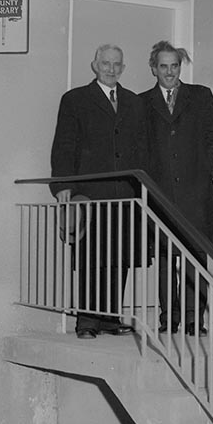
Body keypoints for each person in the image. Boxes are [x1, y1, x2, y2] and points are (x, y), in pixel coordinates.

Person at [50, 44, 146, 339]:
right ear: (95, 65)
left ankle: (110, 318)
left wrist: (143, 190)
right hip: (90, 195)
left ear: (123, 68)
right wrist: (64, 185)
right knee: (92, 258)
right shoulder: (75, 99)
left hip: (125, 195)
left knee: (119, 258)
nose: (111, 68)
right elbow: (64, 145)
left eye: (117, 64)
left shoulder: (134, 102)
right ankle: (88, 321)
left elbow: (143, 149)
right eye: (106, 63)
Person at [139, 40, 213, 335]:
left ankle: (192, 320)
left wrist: (205, 170)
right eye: (164, 66)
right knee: (164, 259)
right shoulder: (141, 102)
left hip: (196, 195)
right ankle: (168, 319)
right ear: (154, 69)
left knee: (195, 260)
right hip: (160, 196)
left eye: (175, 66)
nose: (170, 72)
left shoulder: (200, 96)